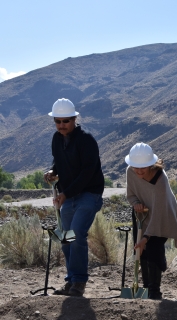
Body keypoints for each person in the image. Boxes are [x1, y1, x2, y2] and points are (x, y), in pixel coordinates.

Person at [43, 98, 104, 297]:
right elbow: (58, 162)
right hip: (67, 196)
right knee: (65, 239)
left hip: (88, 195)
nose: (61, 125)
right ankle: (71, 281)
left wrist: (65, 193)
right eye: (58, 122)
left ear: (75, 119)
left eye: (65, 121)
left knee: (76, 233)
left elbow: (87, 172)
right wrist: (52, 171)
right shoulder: (56, 139)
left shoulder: (87, 140)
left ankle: (79, 282)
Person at [125, 142, 177, 300]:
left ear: (151, 164)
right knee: (140, 250)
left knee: (154, 247)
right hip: (142, 212)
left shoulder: (161, 182)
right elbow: (131, 195)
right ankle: (145, 287)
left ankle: (155, 292)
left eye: (143, 167)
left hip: (163, 214)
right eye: (136, 166)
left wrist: (146, 238)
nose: (139, 171)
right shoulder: (131, 171)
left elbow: (158, 216)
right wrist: (136, 204)